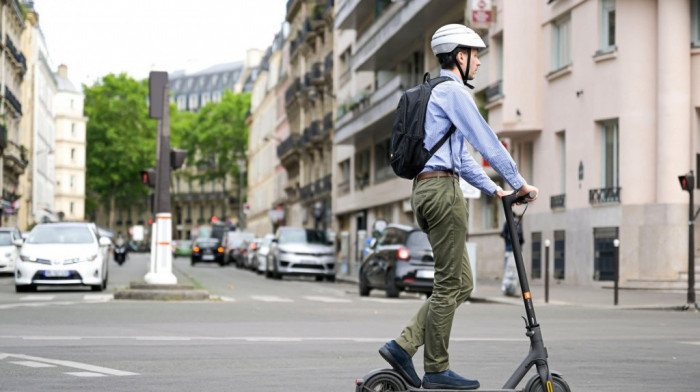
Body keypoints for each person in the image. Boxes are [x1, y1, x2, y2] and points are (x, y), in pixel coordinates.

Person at [378, 24, 538, 390]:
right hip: (443, 193)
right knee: (450, 282)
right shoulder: (453, 93)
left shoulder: (434, 93)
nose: (479, 63)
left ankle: (404, 346)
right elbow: (488, 141)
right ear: (459, 57)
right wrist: (520, 183)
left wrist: (495, 190)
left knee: (462, 283)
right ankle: (436, 368)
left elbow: (461, 158)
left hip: (425, 190)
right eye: (475, 54)